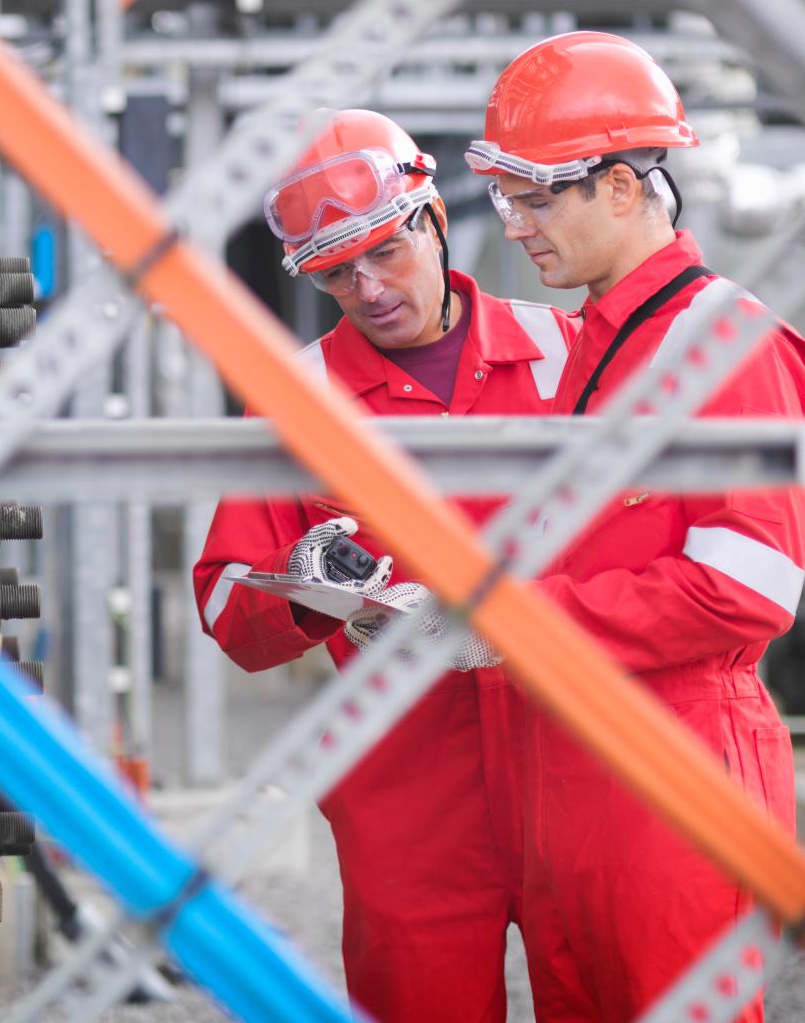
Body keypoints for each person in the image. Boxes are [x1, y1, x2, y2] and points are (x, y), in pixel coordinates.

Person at [466, 30, 805, 1022]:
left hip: (679, 763)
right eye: (507, 197)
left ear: (623, 187)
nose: (517, 225)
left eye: (536, 197)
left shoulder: (728, 345)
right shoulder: (596, 344)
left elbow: (748, 587)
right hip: (576, 762)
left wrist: (516, 616)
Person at [193, 109, 581, 1023]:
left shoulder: (569, 354)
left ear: (435, 220)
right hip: (405, 783)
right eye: (334, 272)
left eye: (383, 253)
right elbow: (223, 600)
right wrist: (309, 584)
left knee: (619, 989)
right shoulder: (299, 399)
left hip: (573, 747)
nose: (366, 288)